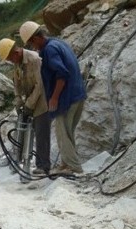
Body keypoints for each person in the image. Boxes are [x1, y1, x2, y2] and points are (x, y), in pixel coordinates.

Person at [19, 21, 86, 174]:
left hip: (67, 98)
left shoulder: (49, 50)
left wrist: (54, 97)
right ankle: (66, 163)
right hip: (78, 95)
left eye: (31, 43)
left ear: (36, 38)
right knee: (67, 133)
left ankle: (73, 167)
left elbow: (62, 74)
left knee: (62, 132)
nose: (32, 47)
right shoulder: (58, 43)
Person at [0, 38, 51, 175]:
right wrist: (18, 99)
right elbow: (17, 83)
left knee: (41, 132)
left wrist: (29, 105)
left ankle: (43, 166)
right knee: (23, 128)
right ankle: (17, 159)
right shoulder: (18, 63)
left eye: (9, 58)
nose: (10, 61)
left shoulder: (33, 59)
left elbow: (39, 86)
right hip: (29, 99)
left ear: (15, 52)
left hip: (42, 100)